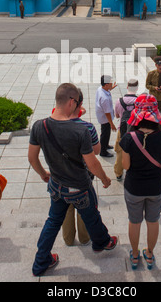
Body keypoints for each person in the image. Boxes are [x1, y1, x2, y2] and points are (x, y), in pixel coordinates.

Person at [28, 83, 117, 277]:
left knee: (52, 221)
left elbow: (32, 158)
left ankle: (40, 261)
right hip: (79, 187)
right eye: (77, 103)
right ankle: (102, 242)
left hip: (56, 186)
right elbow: (92, 163)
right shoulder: (80, 131)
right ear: (71, 102)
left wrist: (43, 174)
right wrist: (104, 178)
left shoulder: (39, 125)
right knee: (91, 216)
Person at [119, 94, 161, 270]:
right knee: (153, 221)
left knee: (134, 221)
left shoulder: (129, 138)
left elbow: (125, 166)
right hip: (156, 187)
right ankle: (149, 254)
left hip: (134, 187)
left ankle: (134, 255)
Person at [62, 88, 100, 246]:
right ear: (81, 104)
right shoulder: (88, 127)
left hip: (62, 175)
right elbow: (96, 151)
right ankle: (85, 237)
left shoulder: (54, 125)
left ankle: (68, 238)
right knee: (84, 206)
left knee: (66, 208)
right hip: (83, 175)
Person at [113, 79, 138, 181]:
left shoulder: (119, 101)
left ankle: (118, 173)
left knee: (119, 152)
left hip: (122, 130)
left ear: (127, 87)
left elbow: (117, 115)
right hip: (135, 131)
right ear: (136, 88)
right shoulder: (139, 101)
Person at [95, 75, 117, 157]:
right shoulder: (105, 98)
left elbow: (107, 89)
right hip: (105, 118)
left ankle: (106, 145)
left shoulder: (101, 88)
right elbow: (107, 113)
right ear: (106, 84)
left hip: (102, 115)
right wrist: (112, 124)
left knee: (106, 133)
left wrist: (112, 88)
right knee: (105, 133)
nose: (111, 84)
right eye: (110, 83)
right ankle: (103, 151)